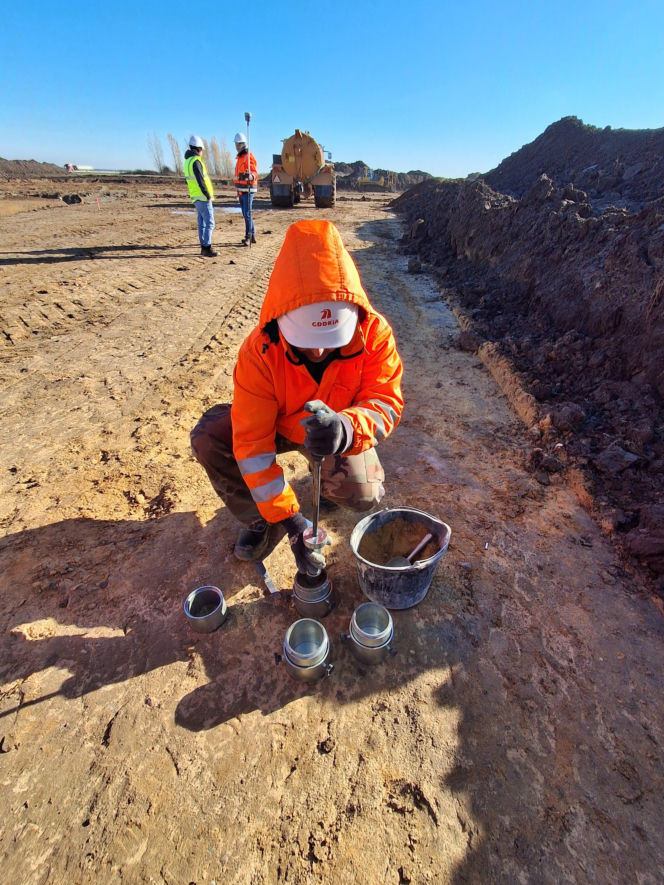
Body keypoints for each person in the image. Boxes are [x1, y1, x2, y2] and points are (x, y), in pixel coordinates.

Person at [190, 219, 404, 576]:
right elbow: (253, 447)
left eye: (331, 337)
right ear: (282, 318)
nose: (319, 350)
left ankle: (325, 487)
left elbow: (385, 401)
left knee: (362, 491)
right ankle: (263, 519)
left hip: (332, 431)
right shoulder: (260, 349)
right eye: (306, 338)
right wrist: (291, 522)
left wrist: (346, 429)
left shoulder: (373, 333)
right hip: (275, 424)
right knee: (209, 439)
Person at [183, 135, 218, 257]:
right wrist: (207, 194)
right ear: (198, 149)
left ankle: (204, 246)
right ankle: (207, 247)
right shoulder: (196, 161)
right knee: (210, 223)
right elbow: (200, 180)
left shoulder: (187, 162)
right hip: (203, 197)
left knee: (201, 223)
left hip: (195, 197)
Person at [233, 132, 258, 246]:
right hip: (241, 190)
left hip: (248, 189)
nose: (236, 147)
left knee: (247, 213)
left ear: (243, 145)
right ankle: (252, 234)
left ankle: (248, 236)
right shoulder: (239, 158)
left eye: (238, 144)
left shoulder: (249, 156)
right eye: (236, 144)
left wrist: (251, 176)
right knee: (245, 213)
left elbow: (254, 172)